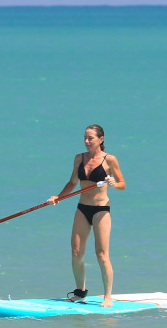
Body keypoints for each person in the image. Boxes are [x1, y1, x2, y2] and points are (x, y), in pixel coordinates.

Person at [48, 124, 125, 306]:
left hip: (101, 210)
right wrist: (58, 197)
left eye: (90, 138)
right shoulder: (79, 158)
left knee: (101, 254)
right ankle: (80, 292)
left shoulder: (110, 160)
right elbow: (73, 182)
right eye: (85, 137)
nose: (86, 141)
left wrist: (113, 183)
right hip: (82, 208)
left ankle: (107, 297)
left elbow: (122, 184)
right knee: (76, 252)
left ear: (101, 139)